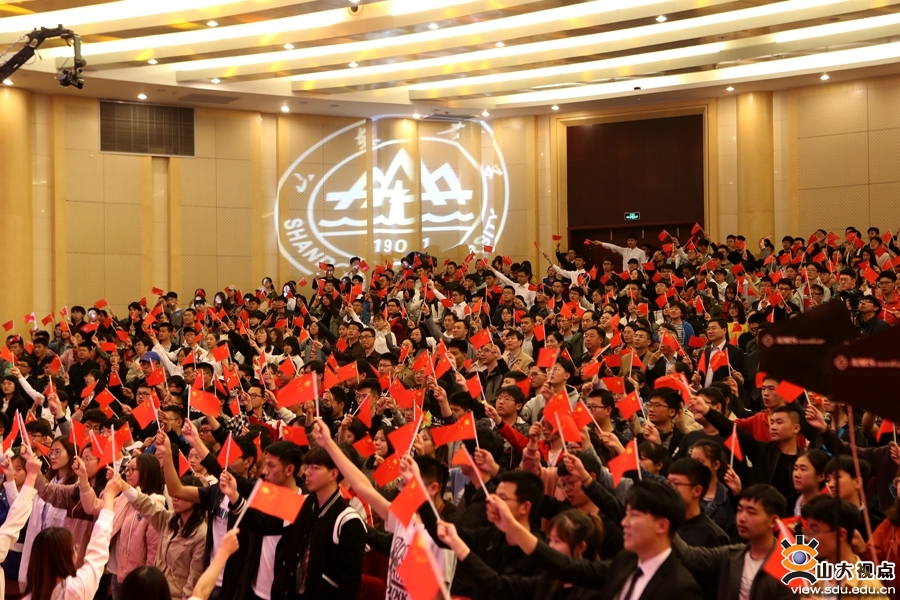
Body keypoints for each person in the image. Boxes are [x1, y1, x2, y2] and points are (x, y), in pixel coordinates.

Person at [480, 479, 703, 600]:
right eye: (626, 514)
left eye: (634, 515)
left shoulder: (681, 588)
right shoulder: (626, 561)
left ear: (662, 525)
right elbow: (568, 568)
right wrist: (512, 527)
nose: (624, 522)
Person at [436, 509, 604, 600]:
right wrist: (457, 544)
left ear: (581, 547)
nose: (550, 546)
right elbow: (497, 583)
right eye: (550, 539)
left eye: (557, 541)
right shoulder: (547, 582)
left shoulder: (596, 592)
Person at [671, 484, 795, 600]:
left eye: (751, 512)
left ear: (773, 521)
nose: (742, 518)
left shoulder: (790, 567)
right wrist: (667, 525)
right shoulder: (732, 554)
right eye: (740, 510)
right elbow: (690, 556)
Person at [22, 469, 120, 600]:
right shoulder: (77, 589)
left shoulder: (29, 596)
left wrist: (31, 472)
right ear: (65, 558)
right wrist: (109, 497)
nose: (77, 549)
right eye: (73, 548)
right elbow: (98, 549)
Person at [111, 467, 207, 600]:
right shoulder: (168, 520)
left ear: (195, 498)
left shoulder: (201, 535)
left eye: (181, 493)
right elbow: (144, 503)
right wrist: (122, 483)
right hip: (157, 593)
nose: (175, 497)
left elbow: (194, 581)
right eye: (174, 492)